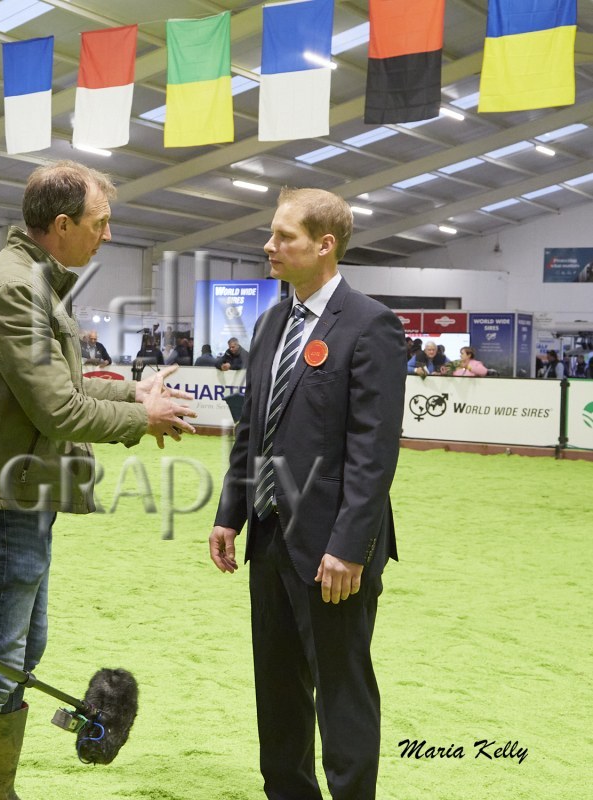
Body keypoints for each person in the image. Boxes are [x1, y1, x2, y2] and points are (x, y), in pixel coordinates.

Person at [0, 160, 196, 798]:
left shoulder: (31, 282)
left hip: (20, 493)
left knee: (17, 657)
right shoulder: (17, 288)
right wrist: (142, 417)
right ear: (61, 224)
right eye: (100, 223)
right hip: (3, 498)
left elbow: (60, 387)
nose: (107, 235)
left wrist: (134, 393)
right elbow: (58, 410)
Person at [209, 187, 404, 800]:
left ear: (324, 245)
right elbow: (252, 428)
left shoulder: (371, 324)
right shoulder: (271, 323)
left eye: (283, 236)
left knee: (342, 692)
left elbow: (374, 451)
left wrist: (349, 547)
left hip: (332, 550)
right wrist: (230, 514)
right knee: (277, 689)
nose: (268, 246)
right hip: (269, 538)